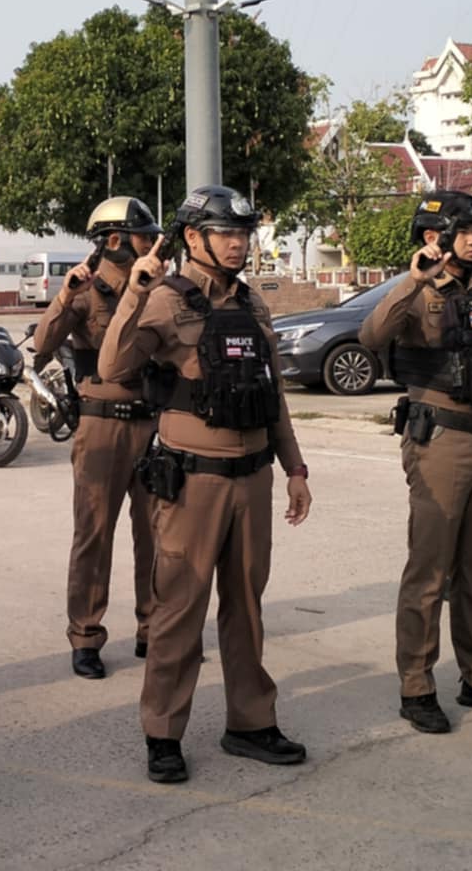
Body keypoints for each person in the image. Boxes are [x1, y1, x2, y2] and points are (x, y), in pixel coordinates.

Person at [100, 185, 313, 784]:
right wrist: (135, 292)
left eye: (243, 233)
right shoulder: (166, 299)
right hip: (193, 482)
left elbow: (272, 395)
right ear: (193, 238)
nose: (238, 243)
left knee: (246, 608)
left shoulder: (252, 304)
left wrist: (295, 469)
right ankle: (163, 732)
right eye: (226, 233)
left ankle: (251, 722)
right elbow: (113, 367)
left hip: (253, 480)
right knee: (179, 609)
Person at [358, 190, 472, 735]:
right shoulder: (419, 291)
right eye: (465, 231)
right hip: (439, 441)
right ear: (434, 237)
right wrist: (413, 280)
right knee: (429, 572)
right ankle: (416, 685)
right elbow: (371, 336)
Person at [33, 196, 162, 679]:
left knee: (157, 535)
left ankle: (154, 629)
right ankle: (85, 634)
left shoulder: (160, 288)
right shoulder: (85, 290)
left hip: (152, 423)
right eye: (142, 237)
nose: (150, 244)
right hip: (102, 425)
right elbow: (43, 345)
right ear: (114, 240)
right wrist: (66, 296)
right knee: (94, 533)